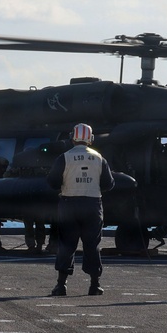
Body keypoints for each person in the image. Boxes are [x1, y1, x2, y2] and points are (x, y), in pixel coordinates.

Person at [46, 123, 114, 296]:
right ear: (90, 139)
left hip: (69, 205)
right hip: (93, 205)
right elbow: (109, 184)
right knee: (92, 245)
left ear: (73, 138)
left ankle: (61, 285)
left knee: (67, 245)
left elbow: (52, 182)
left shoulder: (65, 157)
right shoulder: (99, 158)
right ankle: (94, 285)